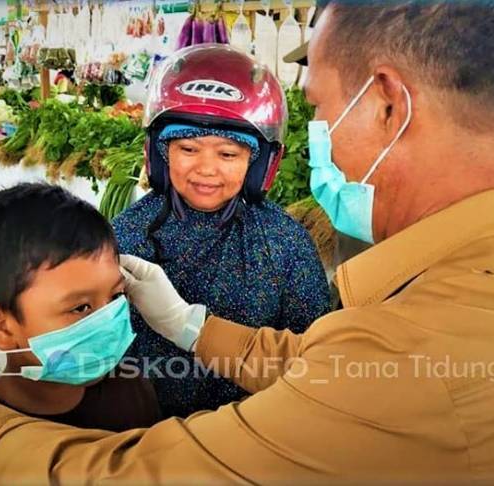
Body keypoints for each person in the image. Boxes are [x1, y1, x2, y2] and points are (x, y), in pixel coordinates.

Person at [0, 1, 494, 483]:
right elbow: (330, 363)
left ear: (389, 105)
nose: (321, 135)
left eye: (324, 110)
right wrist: (190, 324)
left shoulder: (412, 336)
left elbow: (138, 476)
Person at [112, 44, 331, 417]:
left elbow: (309, 359)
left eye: (228, 154)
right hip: (138, 433)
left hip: (245, 433)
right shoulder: (126, 234)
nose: (206, 169)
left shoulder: (286, 244)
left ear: (259, 163)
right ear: (159, 154)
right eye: (187, 149)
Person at [0, 183, 162, 485]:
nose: (108, 321)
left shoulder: (132, 389)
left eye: (115, 297)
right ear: (0, 325)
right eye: (82, 307)